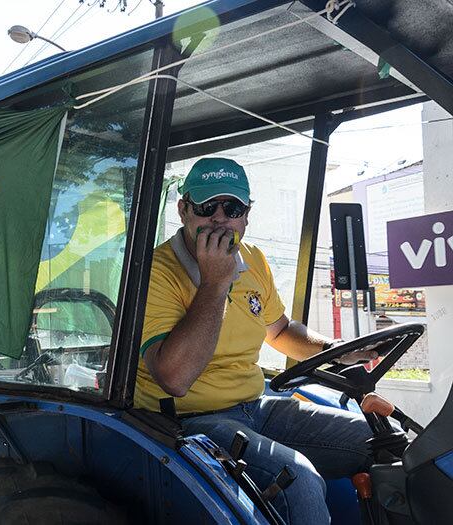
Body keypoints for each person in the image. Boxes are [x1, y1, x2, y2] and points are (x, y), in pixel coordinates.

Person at [135, 157, 377, 525]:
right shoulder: (155, 272)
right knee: (298, 480)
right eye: (206, 206)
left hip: (257, 406)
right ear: (184, 210)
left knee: (377, 439)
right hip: (187, 422)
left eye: (231, 208)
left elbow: (278, 331)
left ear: (246, 216)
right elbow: (175, 378)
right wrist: (215, 282)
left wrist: (335, 350)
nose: (219, 217)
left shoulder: (253, 259)